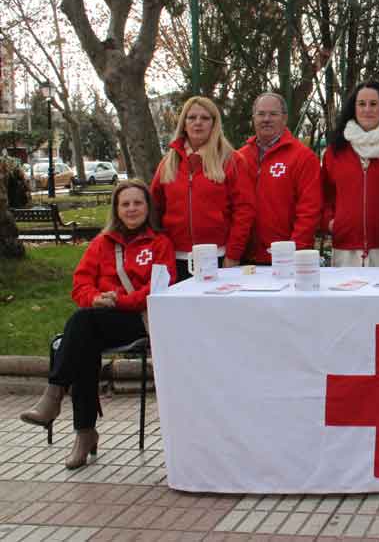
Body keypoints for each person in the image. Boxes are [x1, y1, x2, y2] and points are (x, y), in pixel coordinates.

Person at [19, 180, 175, 470]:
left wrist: (120, 300)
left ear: (147, 207)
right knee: (84, 338)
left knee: (80, 327)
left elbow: (160, 288)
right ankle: (84, 432)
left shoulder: (160, 243)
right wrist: (96, 299)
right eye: (125, 204)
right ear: (116, 209)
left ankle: (58, 401)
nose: (131, 209)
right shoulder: (102, 243)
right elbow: (80, 286)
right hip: (101, 318)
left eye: (137, 203)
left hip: (139, 319)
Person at [151, 96, 254, 280]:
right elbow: (154, 209)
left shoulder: (232, 161)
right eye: (192, 118)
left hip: (218, 257)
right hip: (174, 258)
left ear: (214, 124)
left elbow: (244, 211)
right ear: (184, 124)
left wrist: (233, 255)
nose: (198, 123)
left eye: (205, 118)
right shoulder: (168, 163)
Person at [322, 81, 379, 266]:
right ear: (353, 108)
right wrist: (330, 222)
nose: (367, 109)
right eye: (361, 104)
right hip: (346, 248)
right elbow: (325, 194)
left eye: (373, 104)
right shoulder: (335, 151)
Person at [238, 92, 322, 264]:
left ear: (284, 118)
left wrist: (294, 251)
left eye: (273, 114)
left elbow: (310, 210)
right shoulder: (239, 157)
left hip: (287, 259)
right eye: (261, 114)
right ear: (253, 118)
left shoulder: (303, 157)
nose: (266, 119)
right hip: (244, 258)